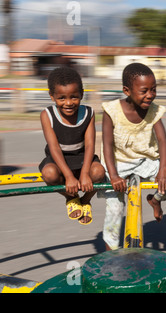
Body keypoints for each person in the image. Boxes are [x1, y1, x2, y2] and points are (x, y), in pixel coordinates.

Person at [100, 63, 166, 250]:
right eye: (144, 90)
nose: (150, 94)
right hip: (119, 163)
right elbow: (107, 145)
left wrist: (163, 169)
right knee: (114, 209)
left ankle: (155, 200)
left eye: (154, 89)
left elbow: (163, 141)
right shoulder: (112, 111)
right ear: (127, 90)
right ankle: (110, 251)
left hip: (145, 161)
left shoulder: (154, 110)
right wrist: (114, 175)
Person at [39, 66, 105, 225]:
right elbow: (54, 148)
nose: (68, 103)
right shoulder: (47, 115)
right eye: (62, 98)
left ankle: (86, 200)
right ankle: (71, 198)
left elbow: (90, 145)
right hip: (59, 159)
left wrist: (84, 173)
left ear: (82, 94)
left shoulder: (88, 113)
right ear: (52, 96)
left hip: (83, 158)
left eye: (74, 97)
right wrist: (68, 176)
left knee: (98, 172)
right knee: (49, 173)